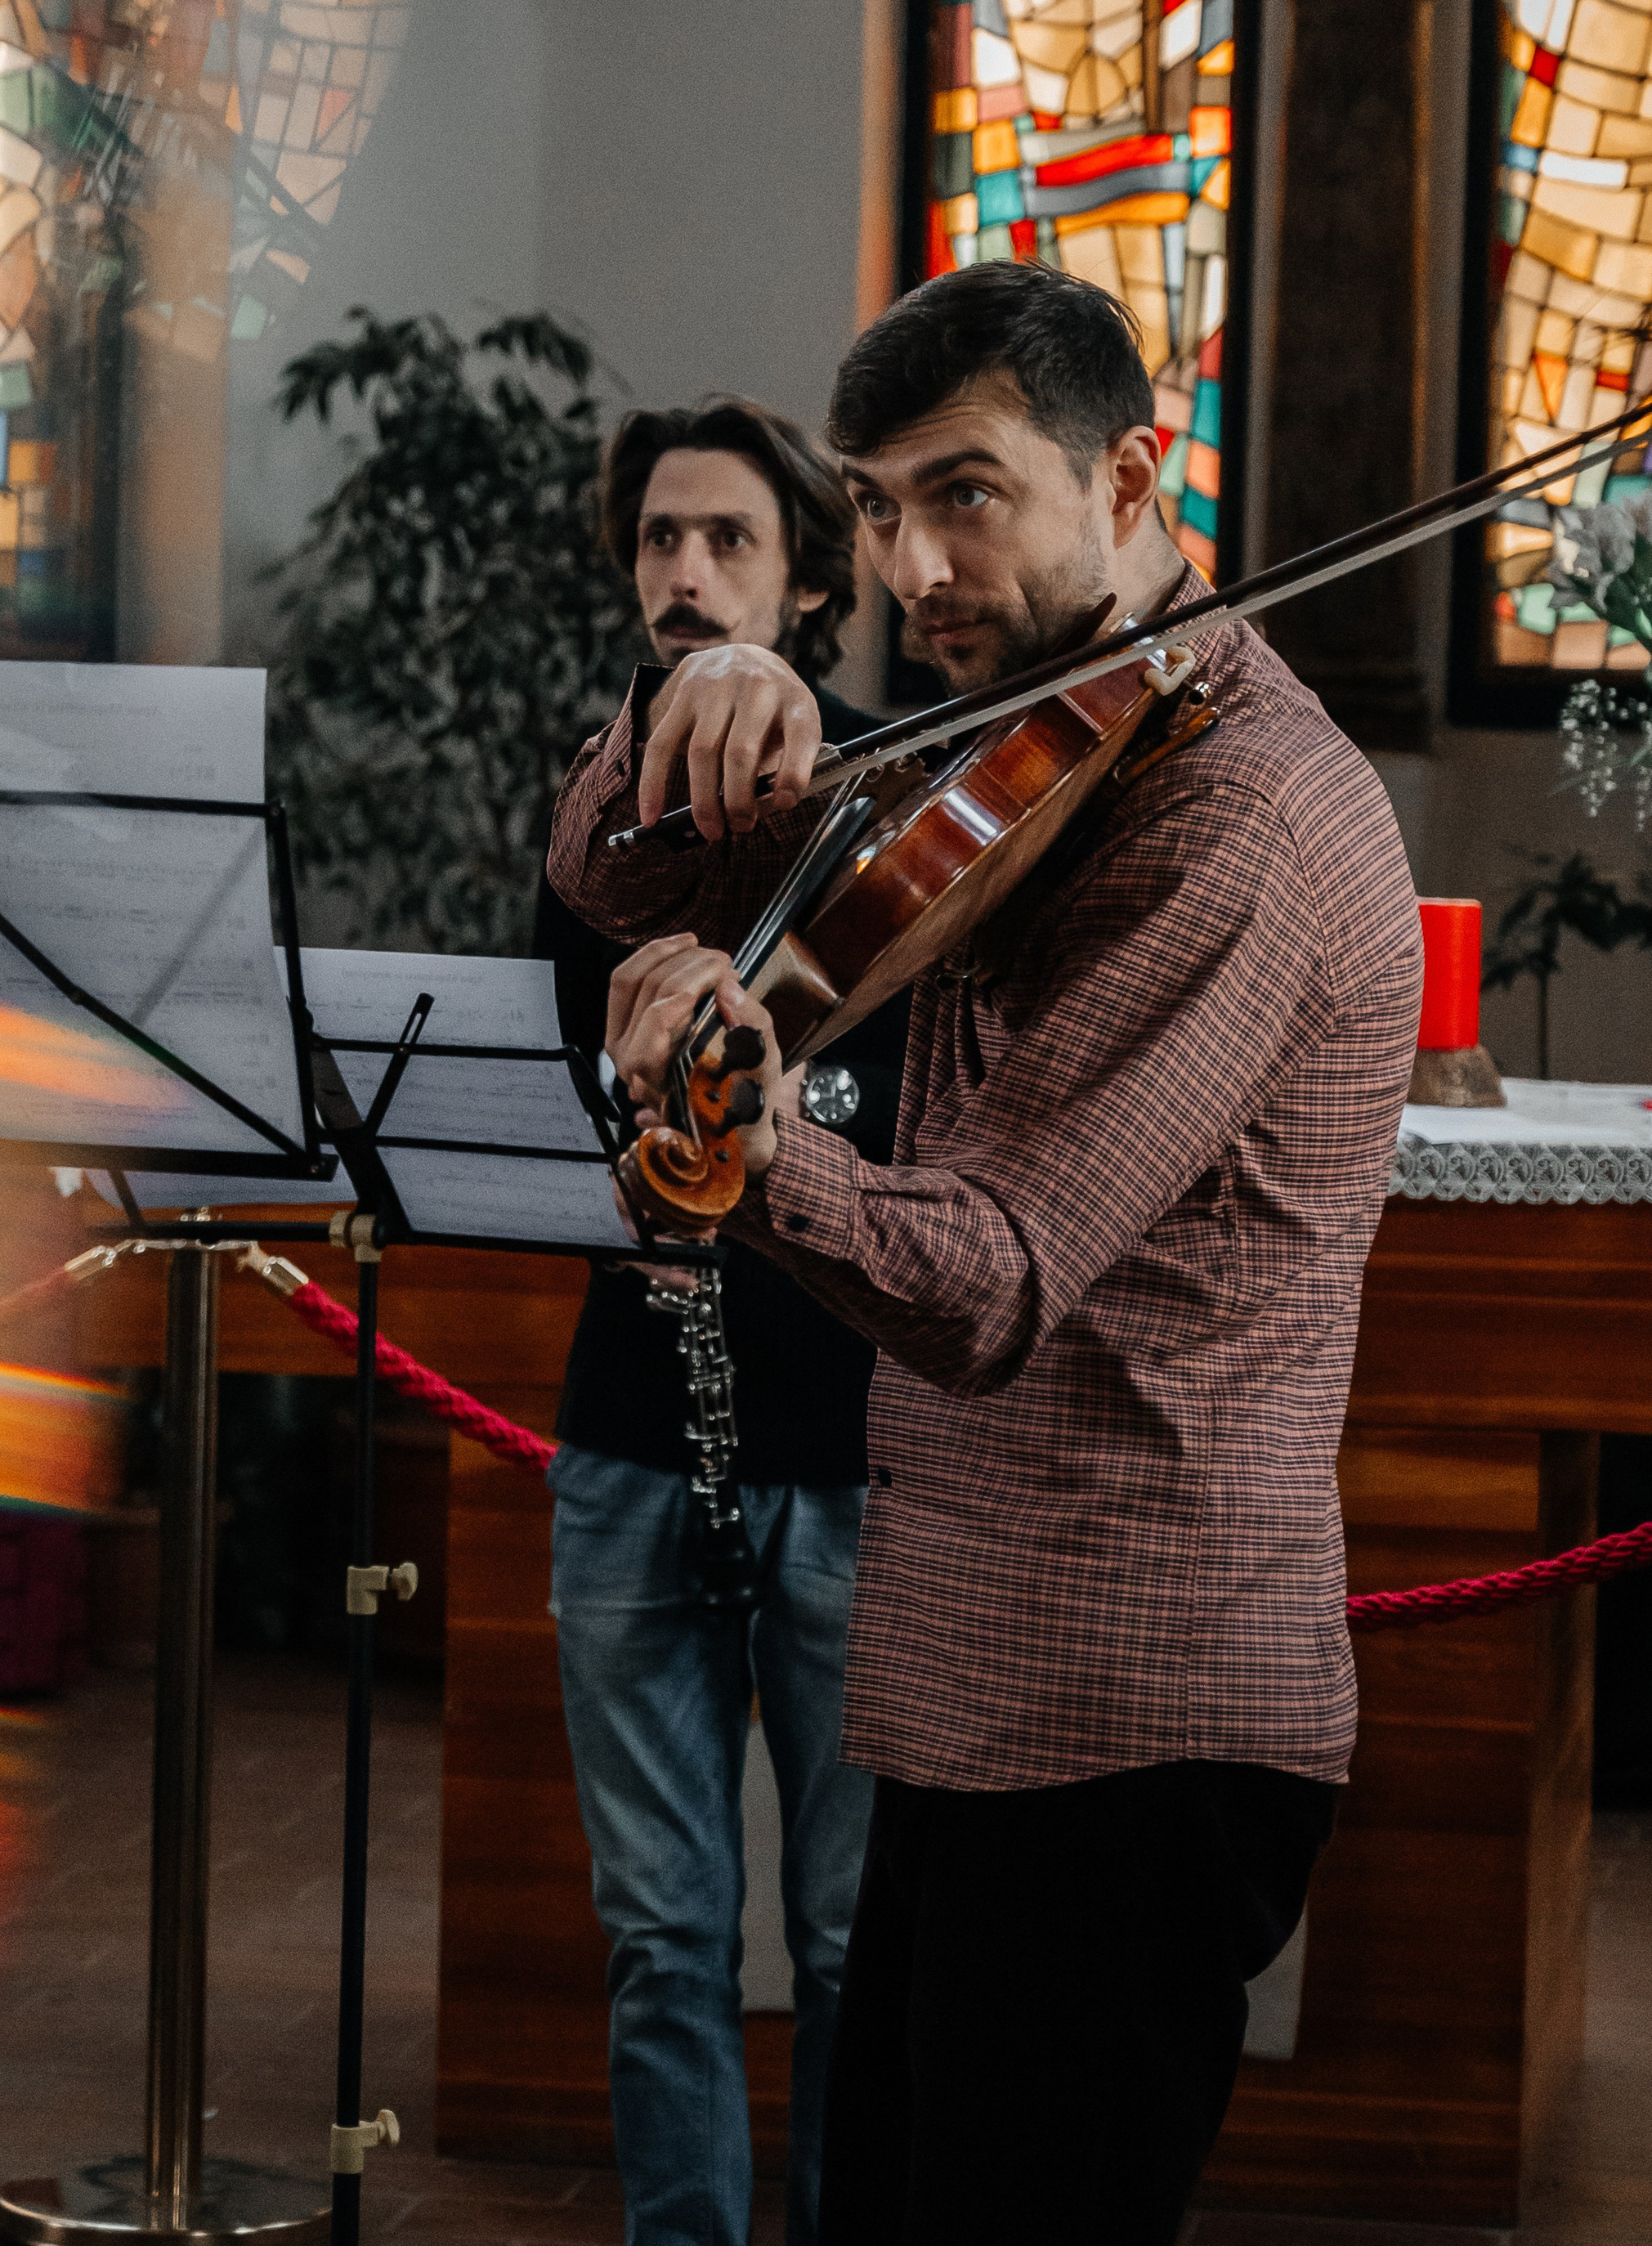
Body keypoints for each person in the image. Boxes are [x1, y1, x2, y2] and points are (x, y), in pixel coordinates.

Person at [547, 267, 1423, 2244]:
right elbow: (607, 879)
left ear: (1129, 472)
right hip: (967, 1686)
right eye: (870, 505)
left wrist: (738, 1140)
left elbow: (998, 1270)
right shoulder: (1009, 750)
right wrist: (682, 708)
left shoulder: (1241, 817)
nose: (908, 561)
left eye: (965, 494)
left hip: (1131, 1704)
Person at [535, 397, 909, 2246]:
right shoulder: (596, 818)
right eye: (658, 540)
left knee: (848, 1935)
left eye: (728, 542)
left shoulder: (904, 790)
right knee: (659, 1936)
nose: (683, 571)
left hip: (842, 1442)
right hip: (628, 1430)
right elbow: (566, 1104)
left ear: (809, 580)